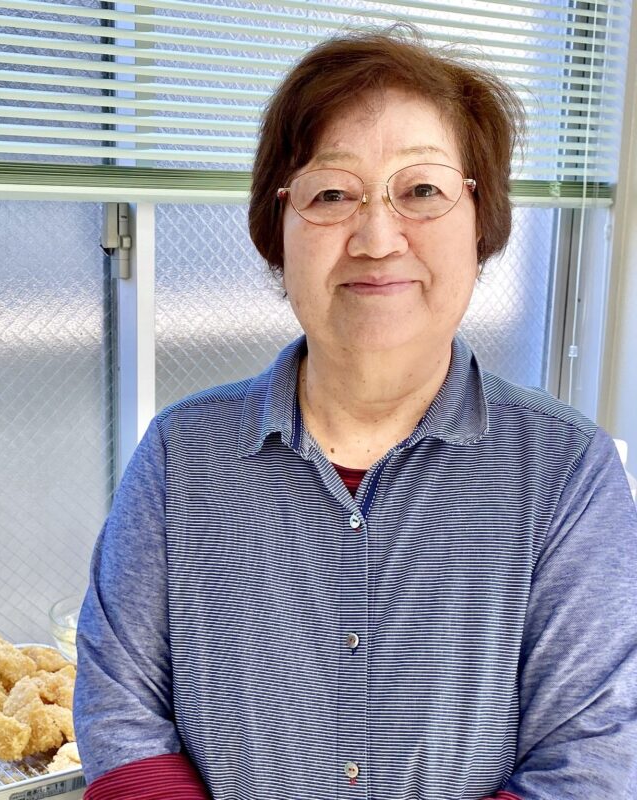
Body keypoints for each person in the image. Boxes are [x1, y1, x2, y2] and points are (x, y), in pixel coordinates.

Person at [73, 25, 637, 800]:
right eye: (332, 193)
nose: (377, 237)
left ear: (483, 223)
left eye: (423, 191)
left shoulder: (567, 472)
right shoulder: (181, 455)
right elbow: (120, 712)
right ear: (281, 227)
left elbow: (590, 759)